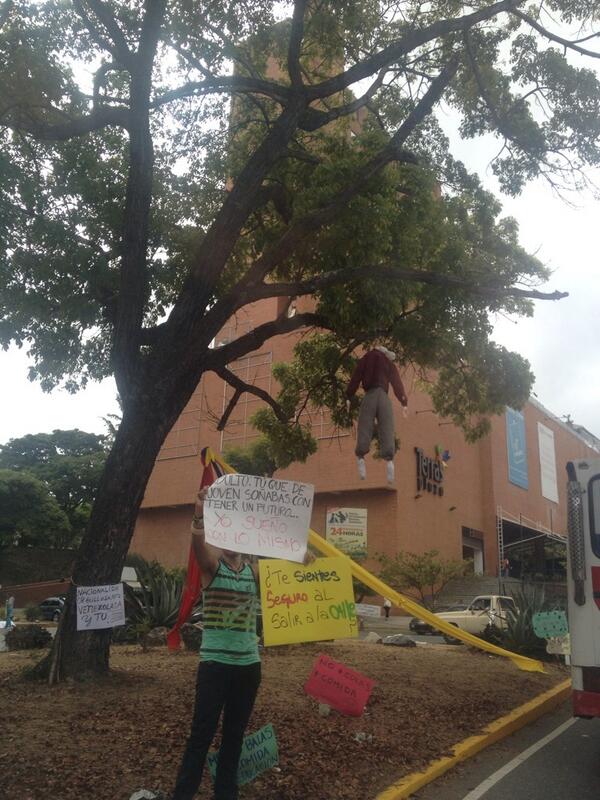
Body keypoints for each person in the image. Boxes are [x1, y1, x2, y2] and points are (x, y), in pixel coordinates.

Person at [171, 488, 261, 800]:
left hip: (249, 666)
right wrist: (199, 512)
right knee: (201, 735)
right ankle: (183, 794)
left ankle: (225, 794)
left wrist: (302, 555)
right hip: (215, 666)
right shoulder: (212, 568)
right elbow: (198, 545)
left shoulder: (254, 572)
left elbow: (285, 568)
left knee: (234, 735)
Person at [346, 345, 408, 484]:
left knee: (365, 425)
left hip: (370, 395)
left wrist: (349, 396)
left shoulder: (365, 359)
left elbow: (356, 378)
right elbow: (397, 383)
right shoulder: (388, 362)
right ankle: (389, 461)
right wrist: (404, 401)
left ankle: (361, 457)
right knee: (387, 427)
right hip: (383, 397)